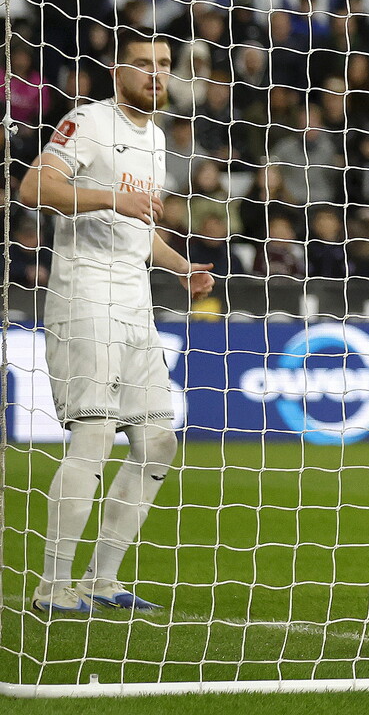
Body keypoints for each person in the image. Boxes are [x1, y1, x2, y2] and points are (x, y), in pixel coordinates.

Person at [18, 31, 214, 613]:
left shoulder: (154, 137)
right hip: (84, 294)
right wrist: (110, 197)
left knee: (157, 441)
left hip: (134, 301)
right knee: (96, 435)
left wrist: (180, 266)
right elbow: (33, 187)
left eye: (163, 65)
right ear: (115, 70)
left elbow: (137, 226)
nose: (156, 75)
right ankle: (53, 585)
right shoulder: (88, 122)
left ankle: (101, 580)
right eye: (143, 65)